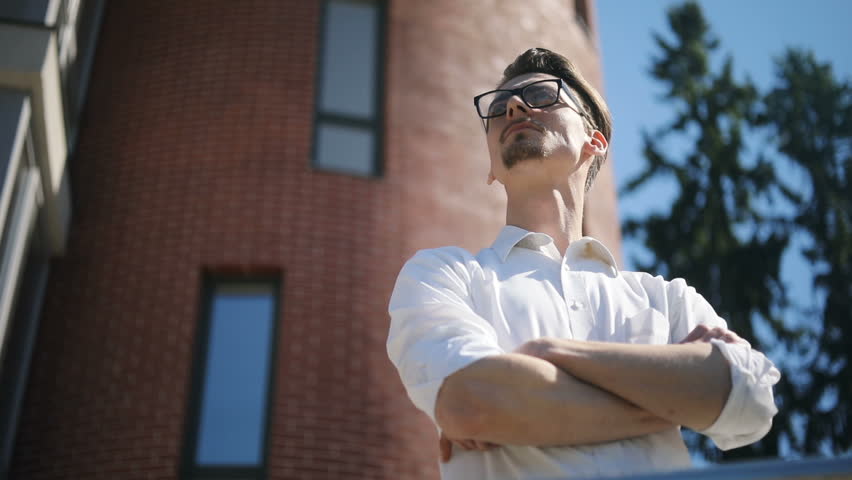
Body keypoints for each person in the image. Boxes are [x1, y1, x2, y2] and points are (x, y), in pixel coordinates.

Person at [386, 47, 780, 480]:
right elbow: (472, 403)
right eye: (498, 107)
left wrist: (549, 356)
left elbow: (752, 403)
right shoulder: (442, 276)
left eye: (542, 94)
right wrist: (678, 402)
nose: (514, 106)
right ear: (491, 168)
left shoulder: (665, 298)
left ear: (595, 141)